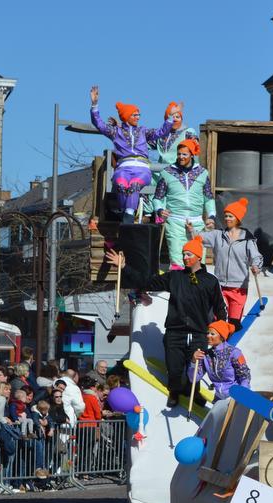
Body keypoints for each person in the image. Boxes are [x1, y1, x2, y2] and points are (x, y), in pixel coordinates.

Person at [105, 236, 227, 408]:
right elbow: (147, 281)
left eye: (189, 254)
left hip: (199, 332)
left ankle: (194, 391)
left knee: (196, 368)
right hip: (175, 332)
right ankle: (175, 391)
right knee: (174, 368)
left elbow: (219, 307)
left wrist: (223, 329)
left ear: (199, 257)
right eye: (183, 254)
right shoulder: (175, 277)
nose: (185, 257)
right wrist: (125, 267)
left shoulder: (210, 281)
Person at [89, 85, 173, 224]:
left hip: (141, 168)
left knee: (134, 185)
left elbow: (161, 132)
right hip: (123, 168)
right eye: (134, 114)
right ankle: (125, 213)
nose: (138, 117)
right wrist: (94, 105)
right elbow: (99, 124)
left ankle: (128, 216)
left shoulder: (143, 131)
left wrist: (169, 118)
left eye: (138, 114)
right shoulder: (116, 132)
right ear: (126, 116)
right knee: (121, 185)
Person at [192, 197, 263, 328]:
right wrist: (192, 229)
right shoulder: (218, 235)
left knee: (234, 323)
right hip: (219, 286)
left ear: (238, 218)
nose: (227, 219)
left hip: (239, 287)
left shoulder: (248, 239)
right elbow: (197, 238)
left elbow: (256, 257)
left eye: (231, 216)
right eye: (225, 216)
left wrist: (256, 267)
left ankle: (229, 346)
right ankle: (216, 345)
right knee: (218, 320)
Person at [155, 139, 217, 269]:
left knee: (198, 261)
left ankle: (196, 288)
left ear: (192, 154)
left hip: (197, 223)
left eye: (184, 154)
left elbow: (209, 198)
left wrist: (211, 216)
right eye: (179, 154)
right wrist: (160, 210)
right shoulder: (167, 172)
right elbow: (157, 198)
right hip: (175, 222)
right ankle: (179, 288)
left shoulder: (202, 173)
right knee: (178, 261)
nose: (181, 157)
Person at [188, 320, 251, 400]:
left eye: (212, 334)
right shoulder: (206, 356)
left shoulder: (234, 352)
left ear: (221, 336)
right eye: (208, 333)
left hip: (236, 396)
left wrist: (242, 394)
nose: (208, 336)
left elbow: (245, 376)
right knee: (214, 413)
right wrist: (193, 361)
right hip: (219, 398)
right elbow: (193, 379)